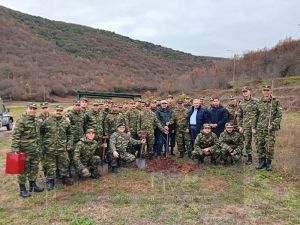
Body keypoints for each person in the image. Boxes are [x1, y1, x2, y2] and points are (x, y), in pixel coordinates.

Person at [11, 103, 44, 197]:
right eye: (30, 108)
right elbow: (16, 136)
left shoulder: (36, 120)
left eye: (34, 109)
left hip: (35, 150)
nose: (32, 110)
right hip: (24, 151)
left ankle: (32, 185)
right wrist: (15, 149)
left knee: (34, 168)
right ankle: (22, 189)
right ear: (26, 109)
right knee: (22, 170)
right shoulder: (21, 121)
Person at [41, 105, 74, 190]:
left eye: (60, 110)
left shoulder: (66, 122)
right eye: (57, 110)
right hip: (50, 149)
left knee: (64, 164)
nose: (59, 112)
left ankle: (64, 179)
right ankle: (50, 181)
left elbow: (70, 134)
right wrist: (44, 145)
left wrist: (69, 145)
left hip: (62, 149)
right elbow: (41, 133)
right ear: (54, 111)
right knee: (50, 166)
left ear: (63, 111)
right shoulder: (47, 121)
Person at [254, 85, 282, 171]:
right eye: (264, 90)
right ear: (262, 91)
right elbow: (256, 115)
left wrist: (273, 124)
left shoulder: (275, 101)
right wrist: (253, 127)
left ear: (271, 91)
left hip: (270, 129)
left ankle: (269, 163)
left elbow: (279, 115)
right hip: (260, 128)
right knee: (260, 145)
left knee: (270, 146)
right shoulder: (259, 102)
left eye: (267, 90)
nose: (266, 92)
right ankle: (261, 162)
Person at [237, 86, 258, 165]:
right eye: (243, 92)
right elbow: (240, 116)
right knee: (247, 142)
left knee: (258, 142)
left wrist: (256, 126)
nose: (245, 93)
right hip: (246, 126)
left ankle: (261, 159)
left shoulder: (256, 101)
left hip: (255, 126)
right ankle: (249, 158)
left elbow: (260, 114)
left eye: (246, 91)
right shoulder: (241, 103)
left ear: (250, 91)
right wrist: (240, 126)